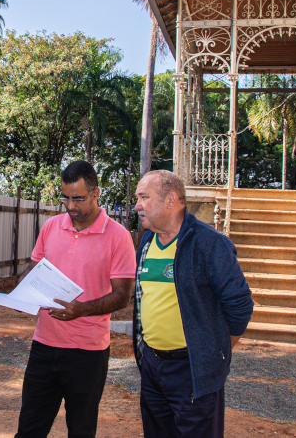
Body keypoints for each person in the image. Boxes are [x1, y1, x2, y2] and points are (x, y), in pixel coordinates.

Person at [15, 160, 136, 438]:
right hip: (44, 345)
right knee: (29, 429)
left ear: (96, 193)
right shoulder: (51, 226)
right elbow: (35, 268)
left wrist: (81, 310)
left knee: (81, 431)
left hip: (88, 352)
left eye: (78, 199)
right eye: (65, 198)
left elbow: (122, 296)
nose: (70, 207)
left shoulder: (118, 237)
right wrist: (21, 292)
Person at [132, 170, 254, 438]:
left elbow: (240, 305)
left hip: (192, 369)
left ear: (170, 200)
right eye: (137, 198)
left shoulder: (210, 244)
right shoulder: (148, 241)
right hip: (152, 366)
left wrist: (213, 351)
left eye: (144, 197)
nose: (137, 205)